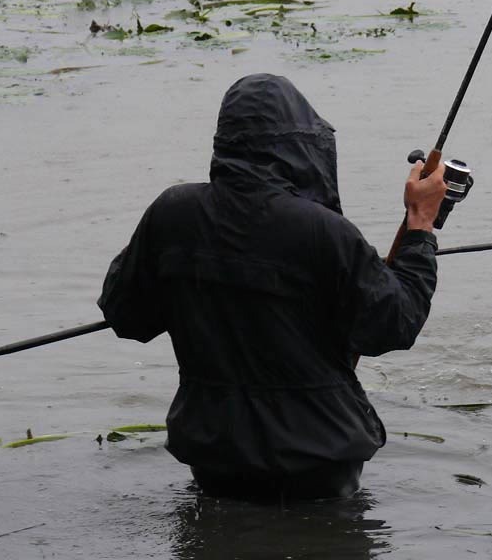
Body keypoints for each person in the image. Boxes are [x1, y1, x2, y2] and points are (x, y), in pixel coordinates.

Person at [97, 73, 447, 501]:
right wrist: (420, 226)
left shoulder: (171, 213)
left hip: (214, 460)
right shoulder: (327, 233)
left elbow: (125, 314)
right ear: (306, 147)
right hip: (320, 468)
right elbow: (395, 323)